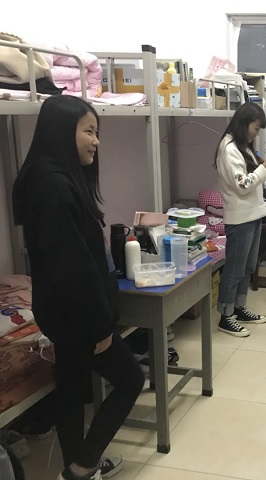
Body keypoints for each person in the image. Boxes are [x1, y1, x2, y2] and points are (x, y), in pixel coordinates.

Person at [12, 95, 145, 480]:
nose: (96, 141)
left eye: (96, 132)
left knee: (71, 387)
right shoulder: (54, 187)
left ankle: (76, 466)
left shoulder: (48, 178)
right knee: (130, 380)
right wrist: (101, 328)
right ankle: (83, 465)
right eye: (89, 131)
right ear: (61, 132)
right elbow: (73, 269)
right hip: (77, 317)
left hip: (61, 312)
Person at [213, 102, 266, 337]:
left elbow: (252, 177)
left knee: (247, 267)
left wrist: (265, 165)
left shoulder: (243, 147)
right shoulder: (228, 148)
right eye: (256, 128)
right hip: (240, 219)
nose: (256, 133)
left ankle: (239, 308)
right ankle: (225, 316)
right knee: (235, 269)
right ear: (244, 124)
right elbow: (243, 185)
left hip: (253, 215)